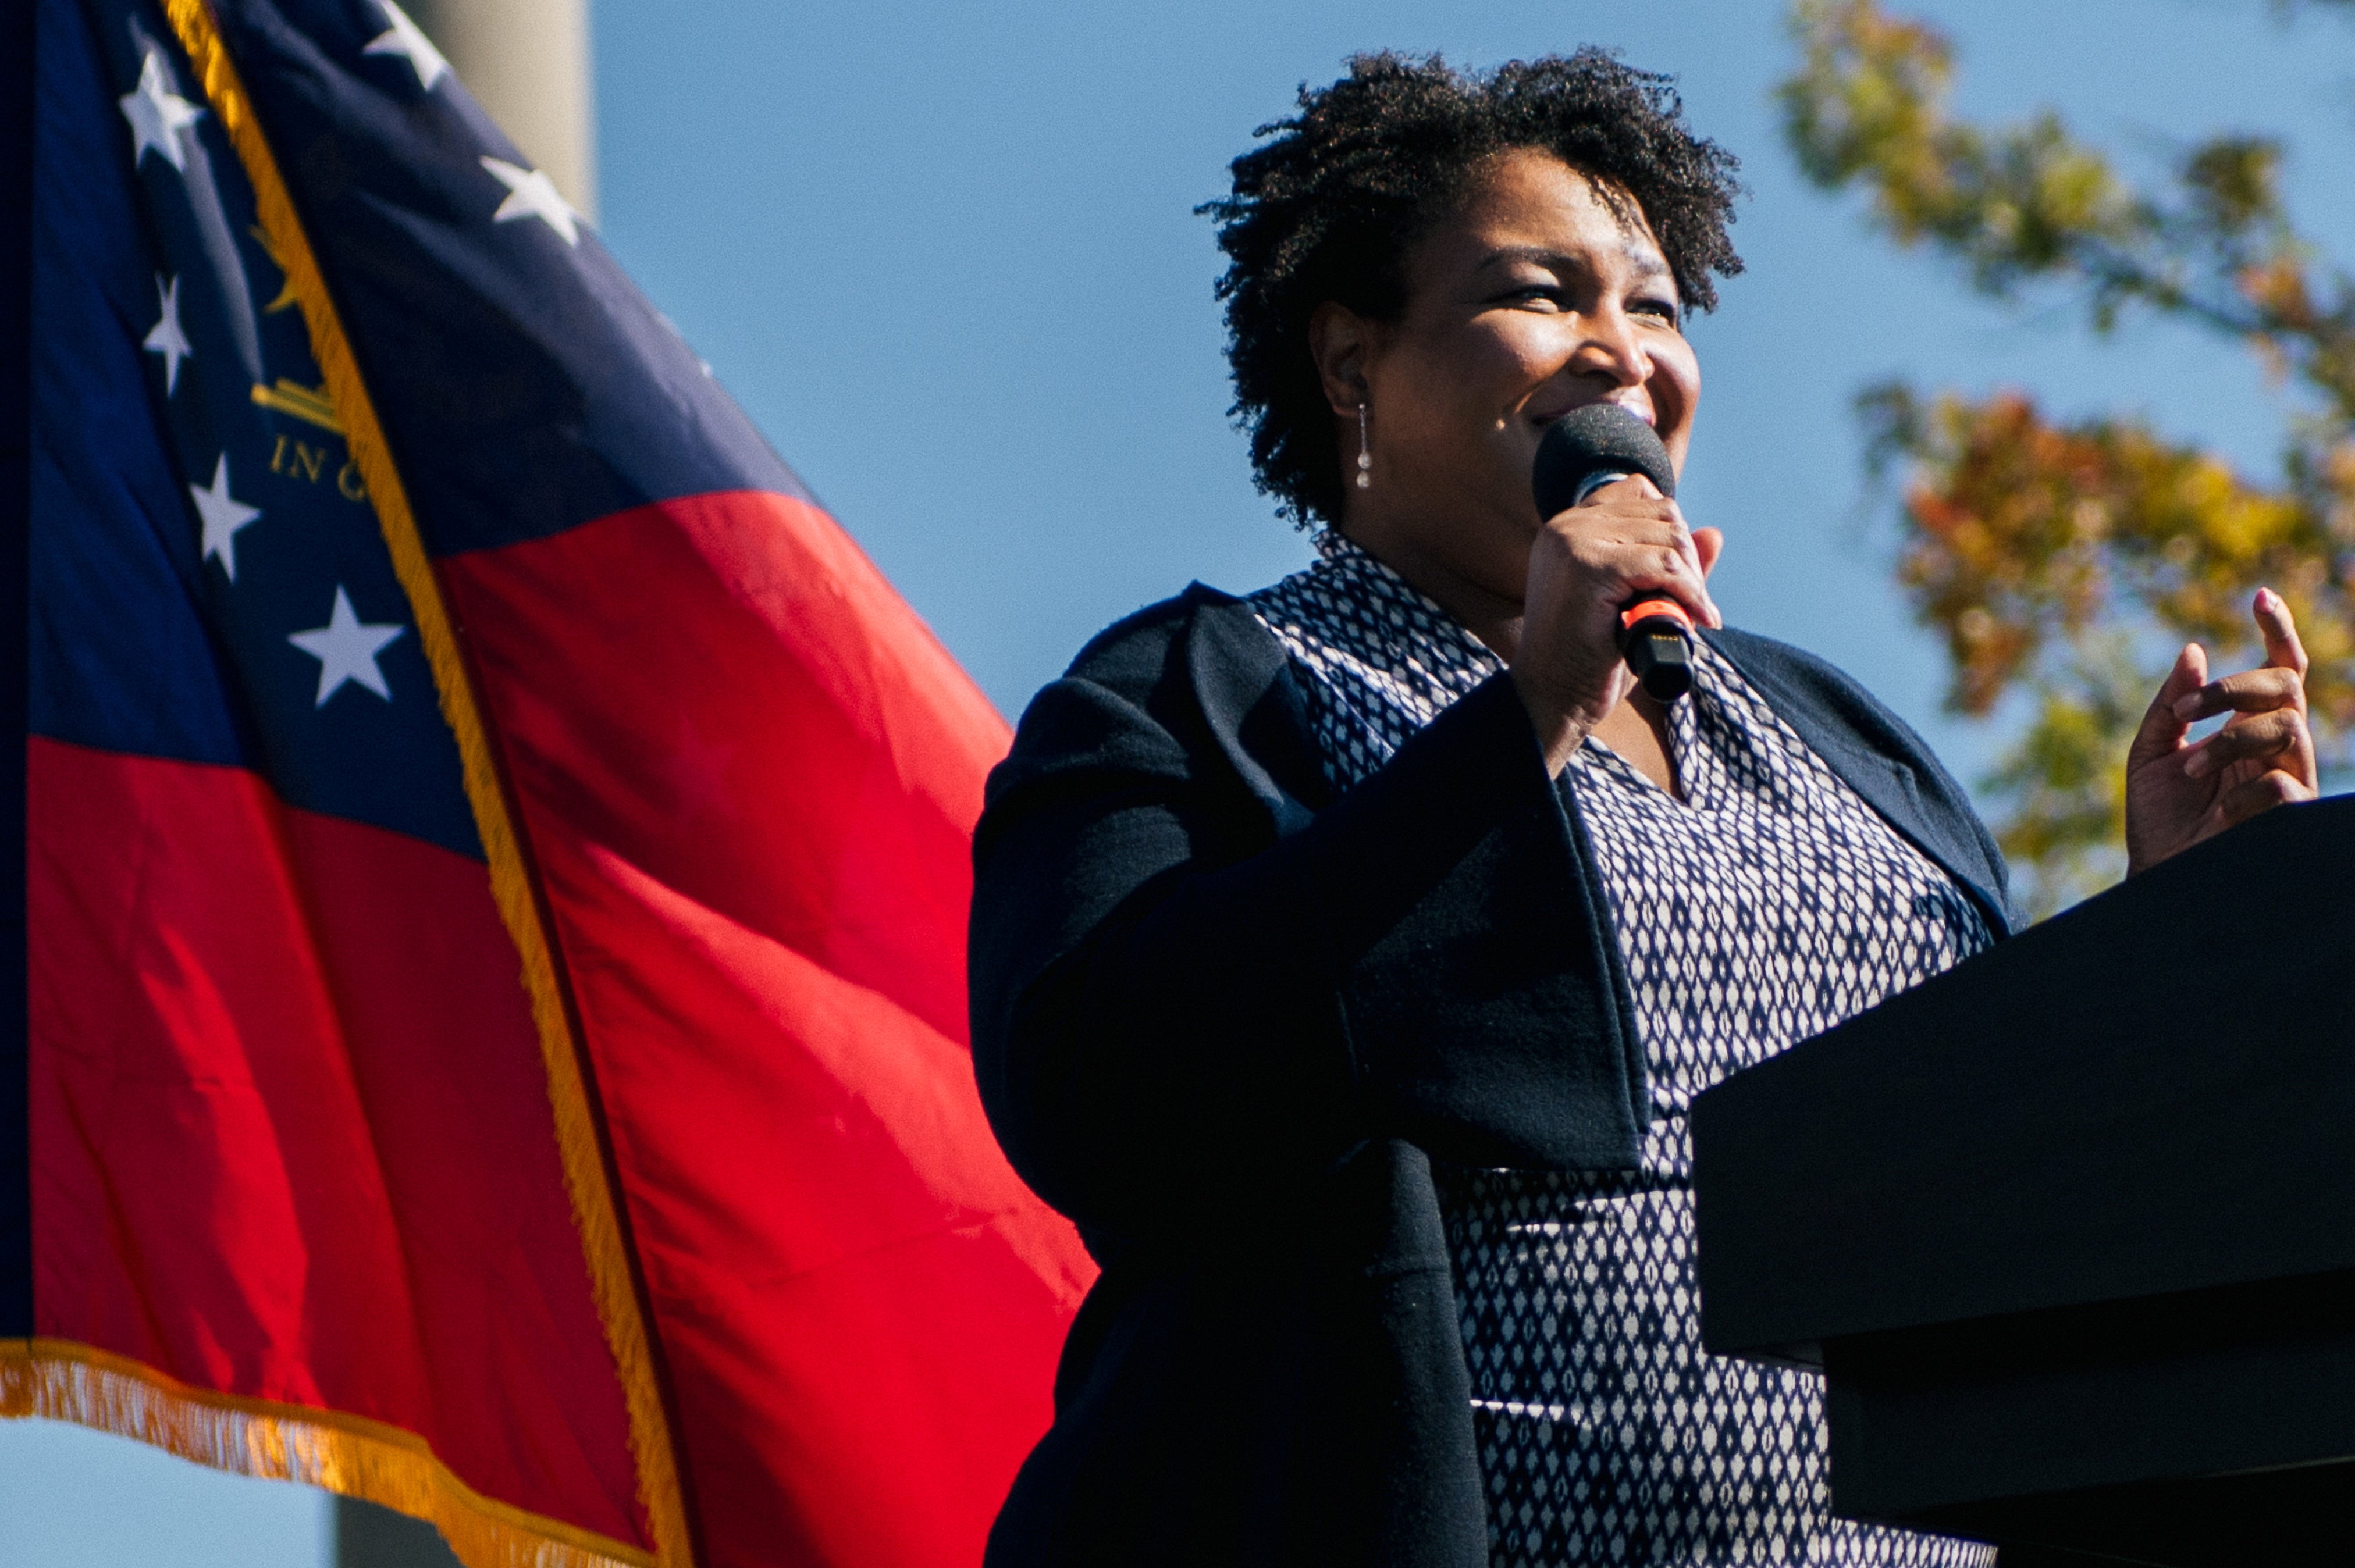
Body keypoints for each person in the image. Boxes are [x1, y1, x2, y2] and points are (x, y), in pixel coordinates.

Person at [967, 50, 2317, 1568]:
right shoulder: (1198, 694)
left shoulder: (1845, 745)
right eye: (1543, 294)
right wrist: (1522, 718)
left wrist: (2175, 934)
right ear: (1351, 359)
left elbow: (2016, 1197)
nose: (1622, 353)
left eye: (1657, 308)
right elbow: (1101, 1093)